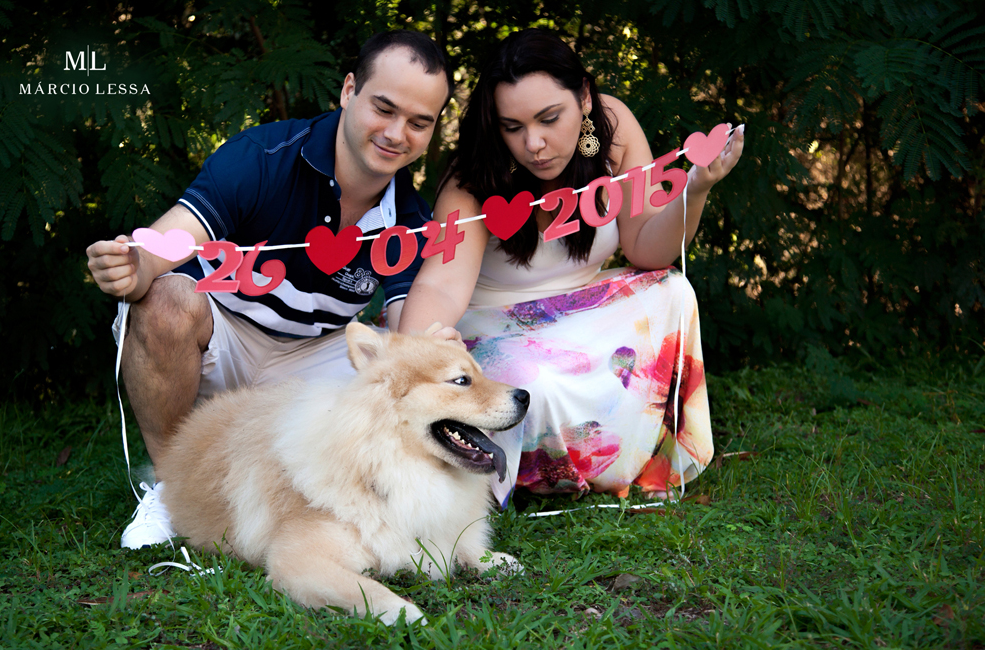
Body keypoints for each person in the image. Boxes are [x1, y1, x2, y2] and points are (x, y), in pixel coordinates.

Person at [86, 31, 453, 548]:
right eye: (384, 108)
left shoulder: (410, 217)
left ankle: (367, 503)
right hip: (225, 340)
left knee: (388, 381)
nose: (397, 133)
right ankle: (171, 489)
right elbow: (171, 240)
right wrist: (135, 264)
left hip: (314, 358)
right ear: (349, 90)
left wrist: (435, 349)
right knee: (164, 300)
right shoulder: (262, 156)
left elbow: (405, 327)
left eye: (419, 123)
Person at [398, 29, 744, 505]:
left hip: (584, 312)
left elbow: (646, 250)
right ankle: (530, 476)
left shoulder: (612, 130)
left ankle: (626, 454)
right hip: (497, 323)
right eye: (513, 127)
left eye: (549, 118)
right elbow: (440, 283)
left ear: (583, 95)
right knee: (531, 383)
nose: (534, 144)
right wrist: (411, 364)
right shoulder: (476, 175)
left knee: (673, 290)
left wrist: (696, 188)